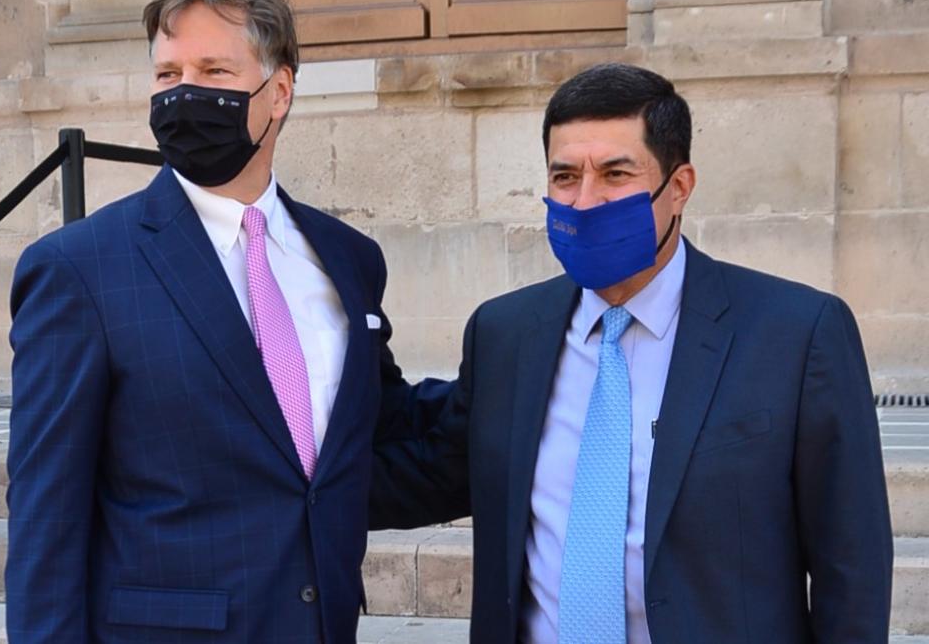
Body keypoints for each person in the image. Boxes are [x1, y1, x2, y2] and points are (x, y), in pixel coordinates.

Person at [371, 63, 894, 643]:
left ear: (680, 186)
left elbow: (852, 564)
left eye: (615, 174)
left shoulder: (796, 334)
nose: (585, 201)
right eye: (565, 176)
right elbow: (429, 473)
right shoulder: (505, 334)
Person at [6, 0, 430, 643]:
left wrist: (516, 387)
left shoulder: (349, 258)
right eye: (168, 73)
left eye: (213, 71)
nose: (185, 92)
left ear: (279, 91)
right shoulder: (80, 269)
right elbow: (46, 517)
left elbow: (376, 431)